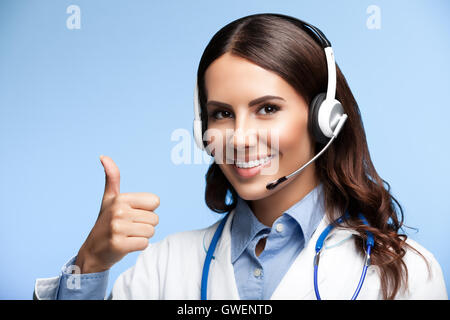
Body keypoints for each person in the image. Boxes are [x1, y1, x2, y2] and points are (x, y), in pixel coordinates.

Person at [34, 13, 447, 300]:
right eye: (222, 114)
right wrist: (90, 263)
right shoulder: (165, 265)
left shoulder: (406, 271)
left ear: (325, 119)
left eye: (267, 108)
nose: (241, 138)